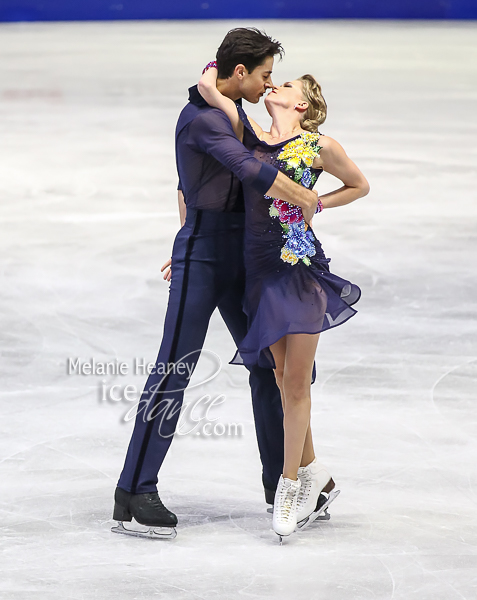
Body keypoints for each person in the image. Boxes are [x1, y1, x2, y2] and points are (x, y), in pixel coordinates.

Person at [112, 28, 323, 539]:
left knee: (270, 365)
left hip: (246, 253)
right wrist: (305, 197)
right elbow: (248, 167)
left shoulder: (225, 109)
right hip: (204, 255)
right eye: (265, 75)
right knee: (176, 366)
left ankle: (283, 486)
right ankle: (134, 489)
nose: (269, 85)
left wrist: (217, 93)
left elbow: (242, 153)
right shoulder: (203, 119)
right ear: (240, 73)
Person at [198, 66, 370, 540]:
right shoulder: (251, 138)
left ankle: (290, 484)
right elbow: (223, 104)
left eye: (287, 85)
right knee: (279, 377)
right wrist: (213, 83)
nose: (275, 86)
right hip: (260, 272)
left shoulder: (319, 147)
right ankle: (313, 470)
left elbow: (360, 185)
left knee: (295, 381)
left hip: (299, 268)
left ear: (303, 105)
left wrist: (318, 202)